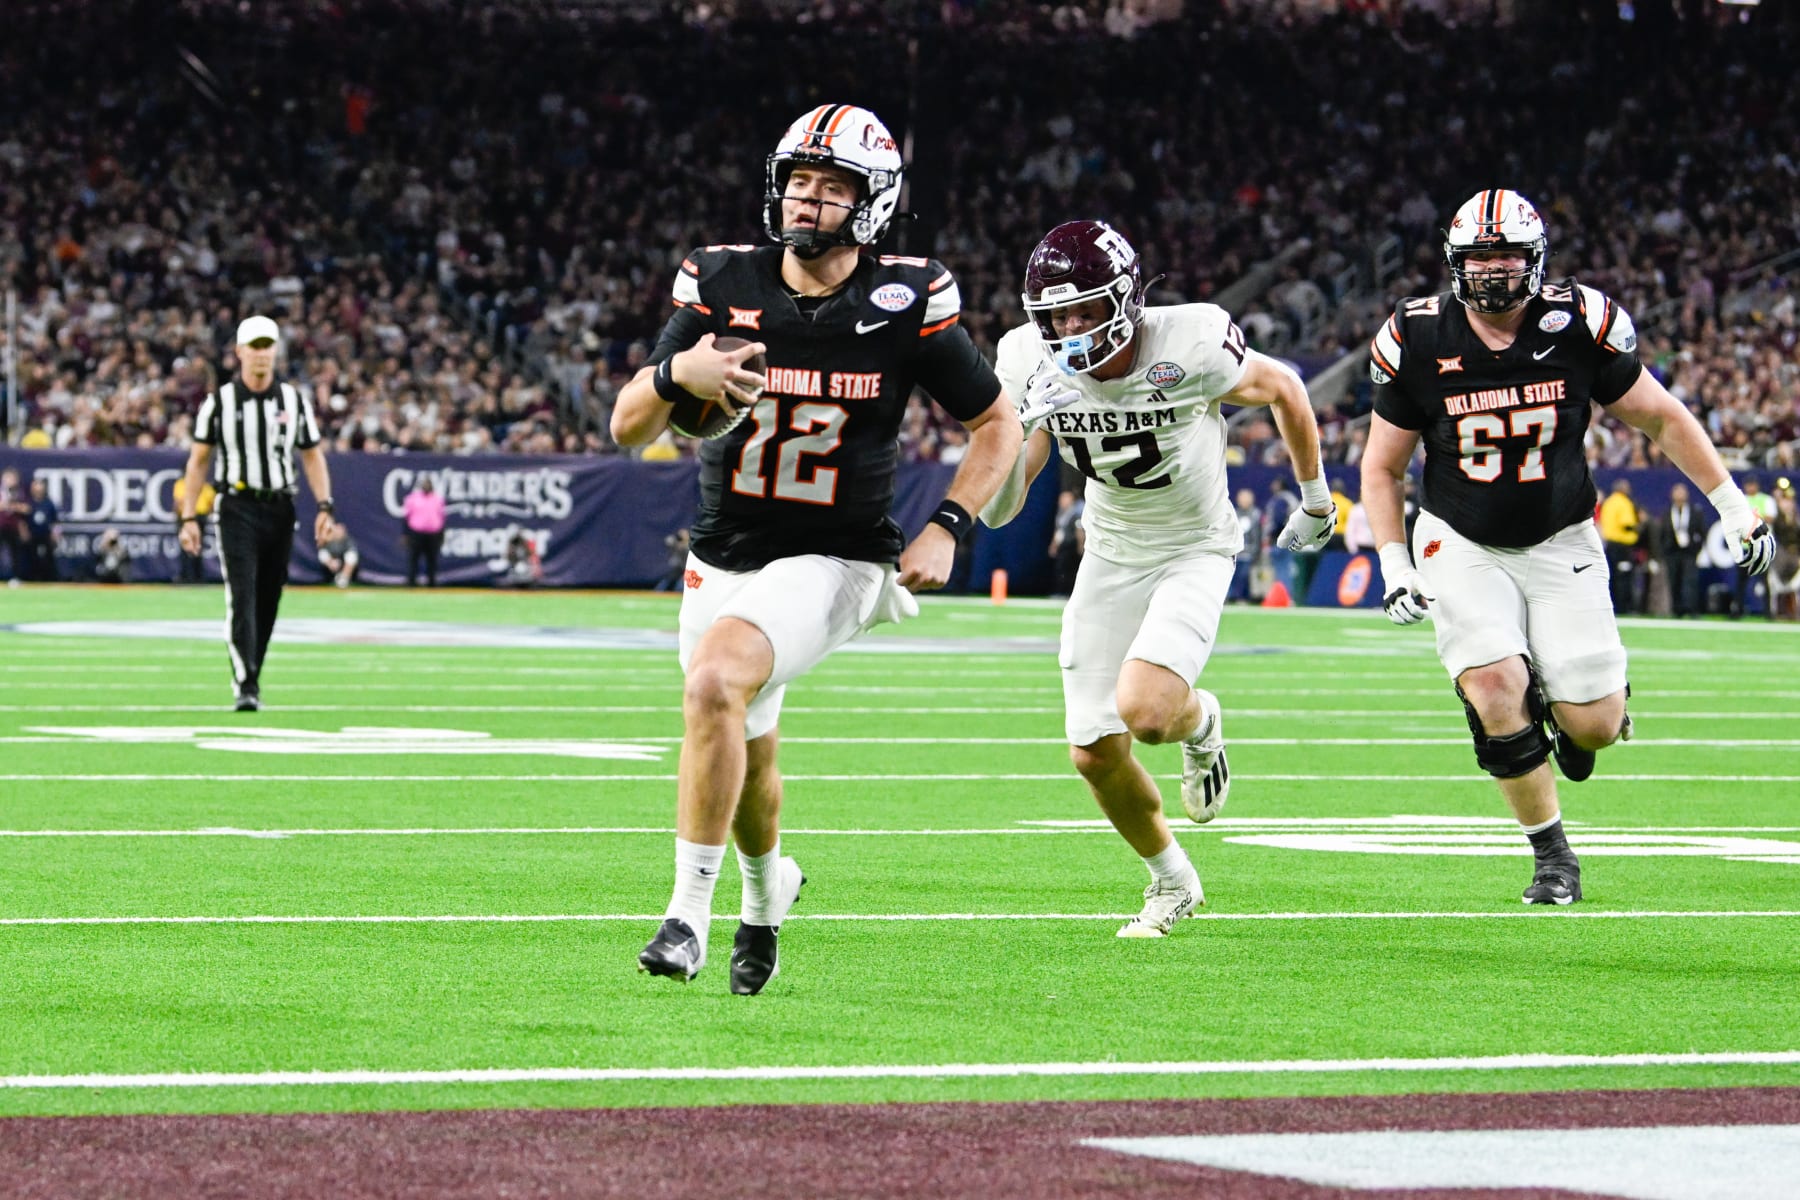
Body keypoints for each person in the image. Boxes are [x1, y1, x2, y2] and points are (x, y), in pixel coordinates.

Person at [611, 103, 1021, 993]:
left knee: (716, 681)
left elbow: (995, 421)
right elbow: (626, 424)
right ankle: (766, 899)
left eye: (832, 189)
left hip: (839, 556)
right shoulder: (721, 279)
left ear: (869, 206)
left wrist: (950, 524)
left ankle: (686, 914)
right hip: (723, 554)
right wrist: (680, 373)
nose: (807, 200)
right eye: (799, 181)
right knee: (742, 740)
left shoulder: (906, 297)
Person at [1361, 188, 1774, 907]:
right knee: (1493, 684)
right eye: (1480, 258)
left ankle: (1568, 705)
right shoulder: (1417, 337)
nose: (1493, 273)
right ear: (1455, 263)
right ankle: (1552, 856)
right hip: (1460, 537)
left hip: (1562, 536)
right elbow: (1381, 466)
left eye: (1508, 257)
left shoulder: (1582, 321)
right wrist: (1393, 565)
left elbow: (1665, 420)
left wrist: (1735, 509)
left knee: (1597, 725)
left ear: (1537, 260)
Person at [981, 219, 1333, 938]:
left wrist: (1317, 498)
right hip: (1110, 550)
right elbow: (1000, 510)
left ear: (1128, 300)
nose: (1070, 326)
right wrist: (1018, 430)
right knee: (1092, 750)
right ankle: (1172, 880)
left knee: (1146, 712)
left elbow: (1288, 390)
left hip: (1194, 547)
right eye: (1056, 311)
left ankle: (1199, 720)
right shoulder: (1025, 358)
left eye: (1086, 308)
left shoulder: (1193, 340)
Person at [177, 315, 339, 712]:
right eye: (255, 346)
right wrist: (189, 516)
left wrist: (324, 506)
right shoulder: (219, 404)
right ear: (240, 352)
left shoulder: (293, 402)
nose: (262, 354)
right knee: (243, 594)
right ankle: (246, 682)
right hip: (236, 505)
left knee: (268, 597)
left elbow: (312, 455)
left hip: (281, 507)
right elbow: (199, 461)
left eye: (268, 346)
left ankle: (253, 670)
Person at [1655, 482, 1702, 618]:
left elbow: (1701, 532)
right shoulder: (1667, 512)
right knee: (1673, 581)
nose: (1679, 495)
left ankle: (1692, 610)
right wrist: (1664, 550)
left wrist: (1696, 548)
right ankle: (1677, 610)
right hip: (1672, 552)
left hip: (1689, 552)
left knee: (1690, 581)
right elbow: (1661, 533)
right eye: (1677, 492)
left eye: (1682, 492)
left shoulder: (1694, 511)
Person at [1598, 478, 1640, 614]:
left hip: (1610, 545)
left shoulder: (1608, 502)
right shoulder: (1623, 502)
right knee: (1624, 576)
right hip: (1622, 546)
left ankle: (1613, 605)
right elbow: (1626, 524)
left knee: (1612, 576)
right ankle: (1624, 607)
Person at [171, 474, 216, 583]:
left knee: (196, 547)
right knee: (189, 547)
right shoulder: (182, 484)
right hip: (187, 517)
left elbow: (211, 504)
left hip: (196, 517)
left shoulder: (204, 486)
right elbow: (178, 503)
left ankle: (196, 576)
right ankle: (188, 575)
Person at [402, 475, 446, 586]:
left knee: (432, 560)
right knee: (413, 559)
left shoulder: (438, 499)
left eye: (428, 484)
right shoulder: (412, 498)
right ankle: (411, 583)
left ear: (432, 486)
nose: (426, 486)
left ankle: (432, 583)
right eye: (424, 484)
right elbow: (406, 517)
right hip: (416, 533)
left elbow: (442, 517)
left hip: (433, 534)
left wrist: (441, 535)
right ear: (421, 486)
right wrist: (405, 534)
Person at [22, 477, 61, 582]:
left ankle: (49, 580)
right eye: (36, 485)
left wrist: (55, 534)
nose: (38, 488)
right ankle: (31, 579)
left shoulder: (49, 503)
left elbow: (55, 522)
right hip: (32, 536)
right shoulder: (28, 503)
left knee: (48, 559)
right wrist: (24, 532)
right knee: (31, 559)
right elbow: (23, 521)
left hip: (45, 536)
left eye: (40, 485)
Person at [0, 468, 26, 583]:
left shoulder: (19, 492)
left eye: (12, 478)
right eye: (8, 478)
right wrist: (7, 505)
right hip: (1, 525)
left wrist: (13, 506)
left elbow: (26, 508)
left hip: (13, 527)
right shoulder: (1, 491)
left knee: (15, 553)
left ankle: (15, 577)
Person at [318, 519, 360, 588]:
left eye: (341, 530)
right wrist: (331, 562)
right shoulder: (328, 540)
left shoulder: (348, 540)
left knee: (351, 556)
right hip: (332, 564)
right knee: (323, 554)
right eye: (337, 529)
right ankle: (333, 578)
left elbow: (352, 552)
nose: (339, 532)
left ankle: (343, 578)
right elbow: (323, 552)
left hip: (344, 564)